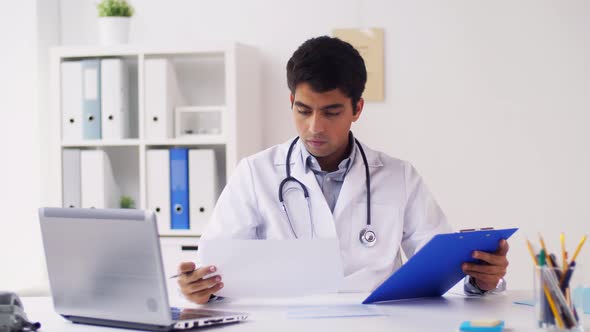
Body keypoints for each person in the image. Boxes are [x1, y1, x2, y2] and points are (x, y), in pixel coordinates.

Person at [177, 36, 510, 304]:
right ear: (291, 101)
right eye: (303, 110)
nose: (314, 127)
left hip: (377, 323)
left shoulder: (398, 176)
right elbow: (215, 269)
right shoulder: (255, 173)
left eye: (331, 112)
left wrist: (479, 276)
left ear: (357, 109)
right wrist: (200, 286)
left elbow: (441, 271)